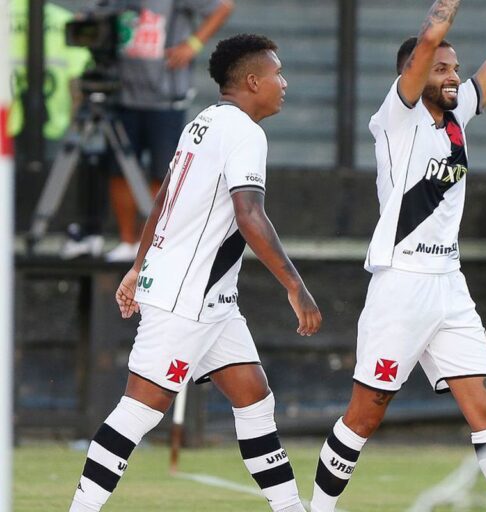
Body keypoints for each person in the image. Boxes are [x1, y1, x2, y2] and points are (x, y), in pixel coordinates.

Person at [68, 34, 321, 512]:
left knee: (254, 398)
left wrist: (138, 264)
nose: (283, 83)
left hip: (213, 302)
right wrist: (296, 286)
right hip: (184, 299)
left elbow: (165, 197)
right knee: (139, 412)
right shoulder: (245, 133)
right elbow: (250, 215)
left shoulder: (202, 123)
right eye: (277, 74)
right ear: (252, 81)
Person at [308, 1, 486, 511]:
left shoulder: (458, 114)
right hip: (401, 282)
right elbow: (428, 39)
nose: (454, 75)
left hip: (449, 285)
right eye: (442, 68)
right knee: (365, 416)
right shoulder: (398, 114)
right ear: (412, 74)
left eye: (456, 68)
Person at [99, 0, 234, 261]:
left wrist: (192, 45)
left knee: (164, 172)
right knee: (118, 170)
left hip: (165, 97)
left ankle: (150, 242)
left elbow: (223, 6)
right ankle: (127, 240)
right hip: (122, 94)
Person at [8, 0, 99, 258]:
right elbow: (76, 81)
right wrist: (75, 124)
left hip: (9, 121)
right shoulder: (61, 19)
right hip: (55, 123)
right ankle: (50, 232)